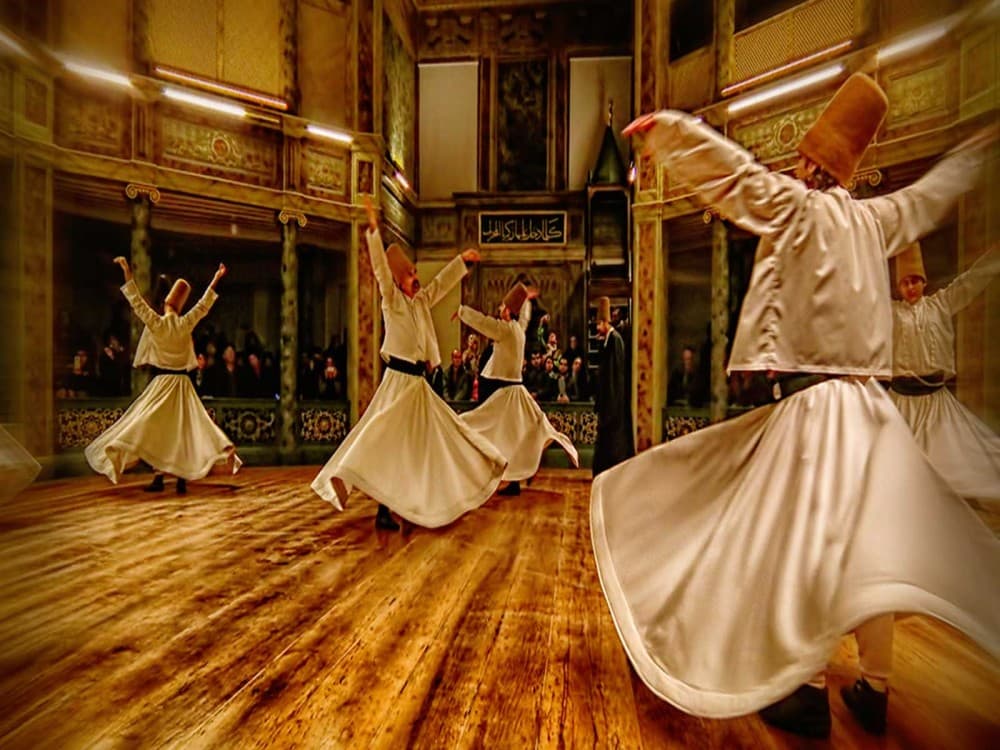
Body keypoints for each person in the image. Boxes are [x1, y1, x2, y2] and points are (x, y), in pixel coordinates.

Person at [591, 74, 1000, 739]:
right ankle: (875, 686)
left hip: (814, 410)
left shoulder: (797, 207)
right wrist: (975, 156)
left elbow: (733, 177)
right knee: (872, 546)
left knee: (801, 546)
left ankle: (804, 687)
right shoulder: (876, 219)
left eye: (803, 157)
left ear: (813, 162)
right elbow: (929, 197)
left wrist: (671, 132)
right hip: (872, 413)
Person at [310, 198, 506, 530]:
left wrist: (462, 261)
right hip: (397, 382)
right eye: (410, 274)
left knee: (432, 438)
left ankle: (428, 496)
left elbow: (440, 284)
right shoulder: (391, 299)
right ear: (399, 279)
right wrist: (374, 229)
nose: (416, 277)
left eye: (415, 272)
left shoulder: (421, 301)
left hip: (418, 384)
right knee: (387, 442)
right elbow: (379, 269)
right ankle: (383, 508)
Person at [86, 258, 241, 493]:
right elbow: (203, 305)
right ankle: (179, 478)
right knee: (181, 432)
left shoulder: (157, 323)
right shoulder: (185, 323)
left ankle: (160, 477)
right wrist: (216, 278)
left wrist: (127, 271)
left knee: (156, 430)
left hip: (162, 383)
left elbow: (136, 302)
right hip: (182, 385)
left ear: (167, 302)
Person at [890, 241, 999, 501]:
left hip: (935, 402)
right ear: (898, 287)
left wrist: (994, 256)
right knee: (899, 463)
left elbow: (970, 282)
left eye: (915, 281)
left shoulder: (940, 305)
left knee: (953, 461)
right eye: (905, 283)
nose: (911, 288)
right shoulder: (893, 313)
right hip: (901, 403)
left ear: (924, 282)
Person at [457, 283, 579, 496]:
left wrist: (461, 311)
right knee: (518, 434)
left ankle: (494, 472)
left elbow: (483, 323)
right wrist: (526, 299)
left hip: (506, 393)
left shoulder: (505, 330)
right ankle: (513, 478)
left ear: (507, 311)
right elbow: (524, 318)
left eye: (503, 306)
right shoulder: (518, 330)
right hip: (514, 391)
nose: (499, 309)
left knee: (477, 424)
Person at [592, 296, 634, 475]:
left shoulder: (615, 340)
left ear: (604, 322)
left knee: (614, 447)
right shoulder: (607, 340)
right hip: (607, 405)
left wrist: (610, 407)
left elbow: (615, 377)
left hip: (613, 405)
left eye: (598, 324)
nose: (596, 328)